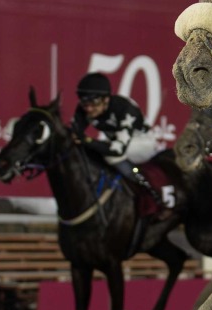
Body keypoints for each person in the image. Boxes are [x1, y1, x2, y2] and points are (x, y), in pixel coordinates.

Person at [70, 72, 167, 210]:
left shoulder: (125, 108)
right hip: (119, 144)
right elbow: (73, 134)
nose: (89, 109)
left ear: (106, 99)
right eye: (85, 104)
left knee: (110, 154)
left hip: (143, 144)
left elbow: (117, 149)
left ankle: (145, 187)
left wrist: (86, 140)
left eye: (94, 104)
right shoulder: (84, 109)